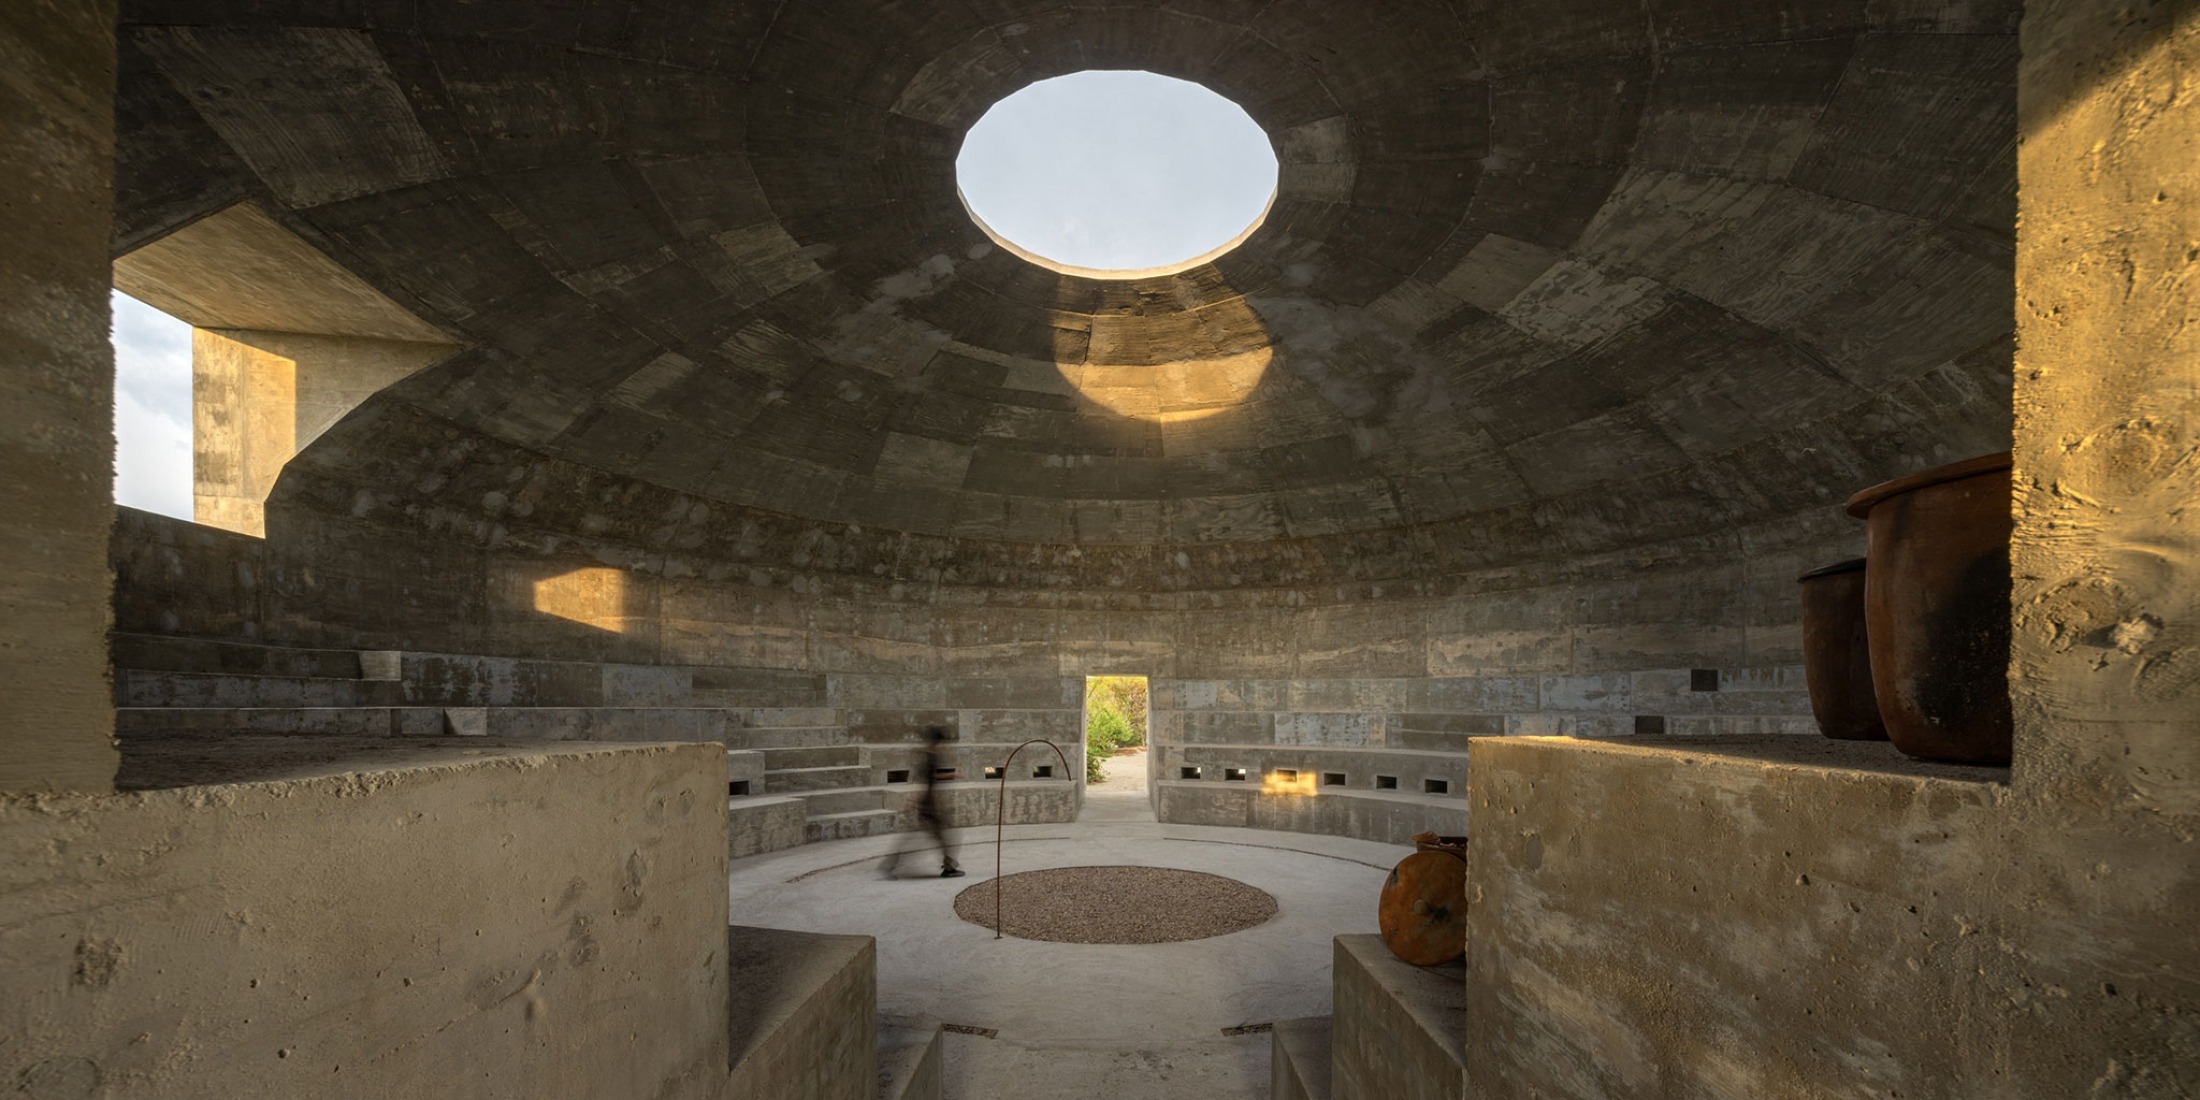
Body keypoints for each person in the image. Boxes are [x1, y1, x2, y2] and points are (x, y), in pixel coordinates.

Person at [884, 726, 965, 879]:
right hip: (929, 805)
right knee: (945, 835)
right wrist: (950, 775)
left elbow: (926, 778)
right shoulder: (930, 758)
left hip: (929, 804)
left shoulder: (929, 756)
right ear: (938, 742)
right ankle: (949, 867)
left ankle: (890, 864)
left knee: (925, 837)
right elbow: (926, 780)